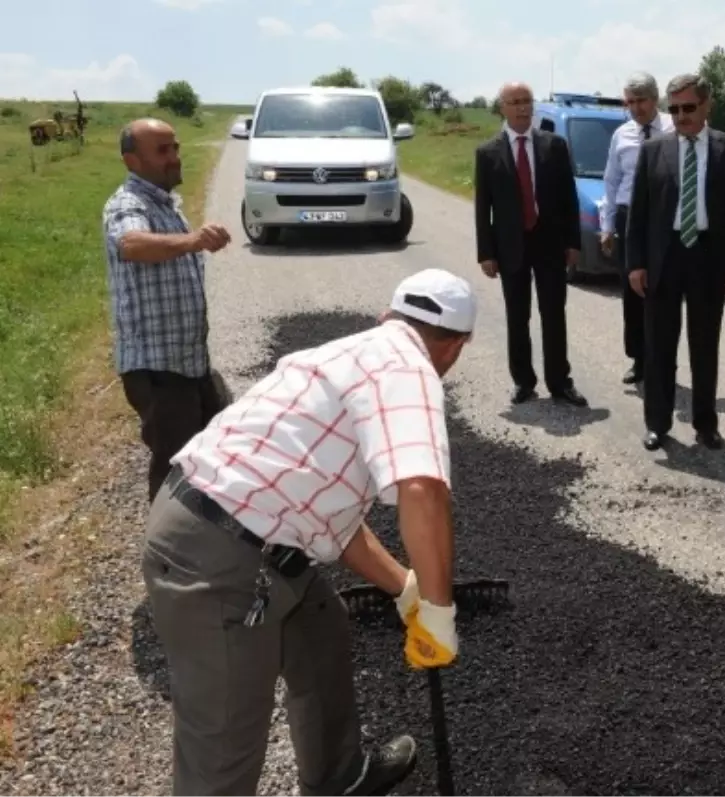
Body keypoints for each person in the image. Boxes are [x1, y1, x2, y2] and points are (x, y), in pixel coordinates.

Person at [141, 268, 475, 796]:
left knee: (321, 632)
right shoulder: (411, 369)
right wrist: (437, 612)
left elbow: (328, 513)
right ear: (455, 347)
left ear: (387, 317)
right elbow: (422, 490)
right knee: (223, 747)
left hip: (247, 528)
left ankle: (338, 778)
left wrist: (405, 587)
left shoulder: (351, 353)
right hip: (216, 555)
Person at [102, 118, 233, 501]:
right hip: (158, 369)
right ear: (132, 161)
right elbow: (131, 244)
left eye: (175, 147)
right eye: (162, 151)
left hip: (189, 364)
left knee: (217, 441)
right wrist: (193, 240)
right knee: (175, 468)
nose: (174, 157)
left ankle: (208, 537)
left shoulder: (166, 205)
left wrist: (190, 238)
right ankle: (164, 554)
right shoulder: (128, 203)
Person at [625, 73, 725, 451]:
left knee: (704, 346)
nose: (681, 116)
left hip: (707, 256)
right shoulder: (654, 150)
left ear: (706, 105)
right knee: (659, 346)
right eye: (675, 108)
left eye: (689, 107)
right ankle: (657, 423)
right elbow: (639, 212)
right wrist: (636, 263)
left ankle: (705, 424)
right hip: (663, 258)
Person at [473, 81, 588, 407]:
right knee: (517, 315)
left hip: (550, 242)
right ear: (503, 107)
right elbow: (484, 208)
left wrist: (573, 242)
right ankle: (523, 382)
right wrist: (486, 253)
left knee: (554, 313)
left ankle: (559, 382)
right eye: (515, 102)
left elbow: (569, 199)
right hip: (511, 245)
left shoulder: (554, 146)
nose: (523, 107)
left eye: (527, 101)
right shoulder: (487, 152)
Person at [600, 71, 675, 385]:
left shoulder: (674, 127)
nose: (635, 108)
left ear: (655, 99)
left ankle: (663, 360)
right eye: (629, 102)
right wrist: (607, 226)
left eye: (640, 101)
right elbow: (612, 181)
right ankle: (639, 359)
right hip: (629, 218)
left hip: (664, 218)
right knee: (632, 293)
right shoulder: (622, 135)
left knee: (664, 290)